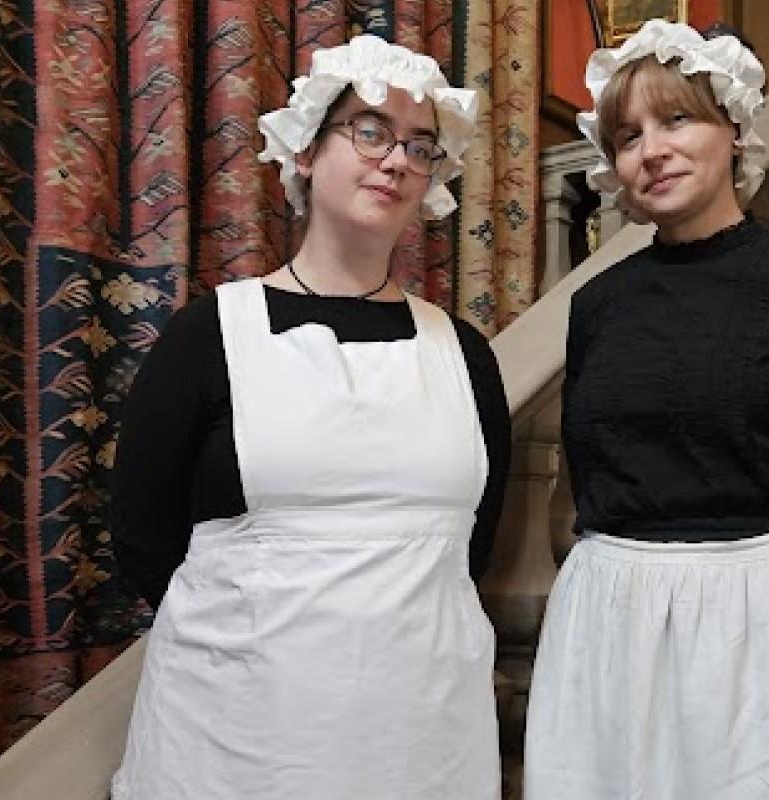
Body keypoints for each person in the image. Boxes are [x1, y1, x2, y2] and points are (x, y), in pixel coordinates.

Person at [523, 21, 769, 800]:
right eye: (627, 135)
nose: (652, 149)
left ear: (734, 128)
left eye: (677, 119)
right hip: (618, 628)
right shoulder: (598, 306)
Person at [109, 34, 509, 800]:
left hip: (421, 743)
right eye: (370, 130)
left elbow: (473, 547)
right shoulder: (208, 336)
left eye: (420, 146)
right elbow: (142, 536)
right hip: (237, 741)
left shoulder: (464, 354)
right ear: (303, 151)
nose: (396, 159)